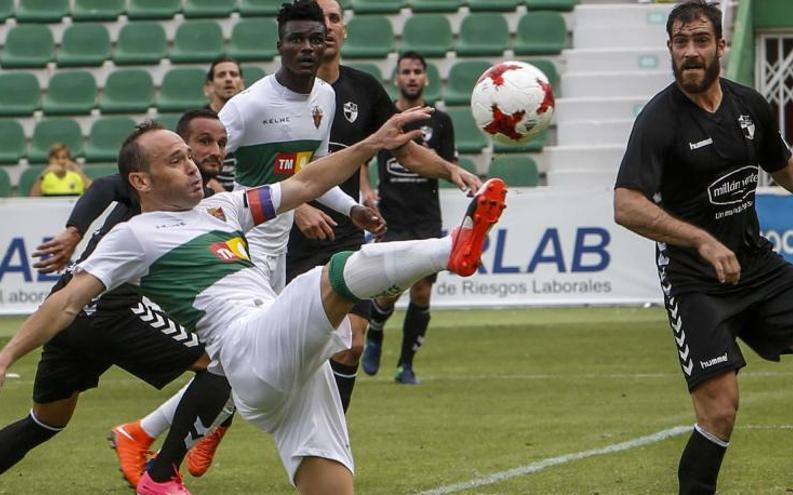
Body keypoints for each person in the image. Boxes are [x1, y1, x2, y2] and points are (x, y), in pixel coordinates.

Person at [0, 111, 507, 495]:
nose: (194, 166)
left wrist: (374, 142)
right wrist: (6, 355)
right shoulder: (135, 235)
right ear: (141, 181)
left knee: (329, 478)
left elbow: (307, 182)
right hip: (244, 347)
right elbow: (65, 304)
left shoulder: (223, 207)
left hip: (286, 365)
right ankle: (451, 247)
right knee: (323, 281)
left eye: (189, 155)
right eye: (175, 160)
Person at [613, 2, 793, 494]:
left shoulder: (749, 105)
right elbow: (626, 205)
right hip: (695, 282)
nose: (691, 52)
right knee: (720, 411)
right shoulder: (659, 121)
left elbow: (788, 169)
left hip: (757, 266)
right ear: (670, 49)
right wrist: (701, 240)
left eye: (700, 40)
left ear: (720, 45)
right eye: (681, 42)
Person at [0, 111, 235, 484]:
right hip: (110, 306)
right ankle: (160, 473)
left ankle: (156, 448)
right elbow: (103, 188)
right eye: (200, 144)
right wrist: (75, 230)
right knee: (223, 363)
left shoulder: (203, 198)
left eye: (220, 144)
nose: (212, 152)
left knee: (46, 422)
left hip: (76, 313)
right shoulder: (151, 185)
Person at [286, 0, 482, 409]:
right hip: (287, 238)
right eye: (319, 20)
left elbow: (406, 153)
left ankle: (330, 442)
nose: (327, 27)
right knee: (288, 352)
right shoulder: (280, 95)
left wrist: (450, 171)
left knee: (351, 345)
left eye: (335, 19)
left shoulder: (365, 90)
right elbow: (261, 169)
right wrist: (295, 206)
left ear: (343, 31)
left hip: (344, 235)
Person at [360, 51, 458, 384]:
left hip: (426, 218)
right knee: (390, 290)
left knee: (421, 294)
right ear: (397, 78)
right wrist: (367, 190)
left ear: (426, 78)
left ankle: (406, 365)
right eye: (406, 71)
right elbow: (360, 155)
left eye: (418, 71)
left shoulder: (441, 121)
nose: (412, 76)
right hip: (393, 215)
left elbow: (447, 167)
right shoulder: (386, 118)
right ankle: (375, 330)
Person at [203, 56, 245, 192]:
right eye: (221, 75)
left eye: (234, 74)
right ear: (208, 87)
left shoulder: (253, 118)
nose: (228, 79)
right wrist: (227, 199)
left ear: (242, 84)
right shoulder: (198, 122)